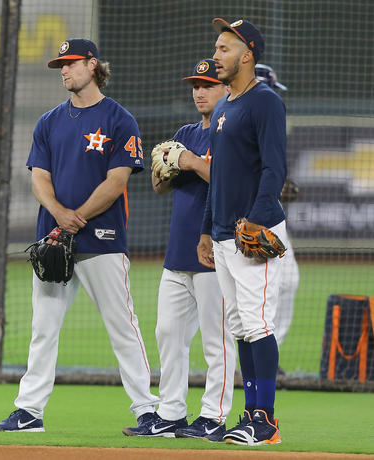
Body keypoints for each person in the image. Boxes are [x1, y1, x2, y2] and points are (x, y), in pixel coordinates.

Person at [0, 38, 160, 435]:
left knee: (122, 325)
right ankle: (29, 411)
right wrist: (59, 215)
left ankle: (147, 411)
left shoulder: (119, 120)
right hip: (54, 238)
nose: (64, 70)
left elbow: (117, 181)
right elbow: (39, 178)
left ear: (92, 65)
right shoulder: (49, 121)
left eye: (70, 63)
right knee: (43, 327)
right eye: (60, 65)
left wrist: (77, 216)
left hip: (102, 238)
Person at [197, 18, 287, 446]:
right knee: (238, 326)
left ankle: (265, 419)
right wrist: (206, 230)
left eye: (224, 48)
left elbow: (275, 169)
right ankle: (250, 412)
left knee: (256, 323)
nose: (216, 55)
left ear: (247, 54)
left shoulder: (264, 102)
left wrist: (257, 218)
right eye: (217, 48)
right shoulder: (225, 105)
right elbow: (219, 177)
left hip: (251, 230)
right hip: (222, 232)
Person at [150, 59, 236, 441]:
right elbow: (159, 187)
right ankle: (170, 413)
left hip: (214, 255)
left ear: (225, 89)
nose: (199, 92)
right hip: (177, 254)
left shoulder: (229, 130)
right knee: (168, 333)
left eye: (207, 85)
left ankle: (214, 416)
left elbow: (226, 179)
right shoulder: (186, 131)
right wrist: (164, 170)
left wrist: (186, 160)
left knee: (217, 341)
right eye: (195, 86)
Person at [255, 63, 300, 356]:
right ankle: (249, 358)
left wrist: (282, 185)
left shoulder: (269, 123)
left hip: (270, 212)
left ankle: (271, 354)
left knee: (287, 281)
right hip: (244, 216)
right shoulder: (238, 116)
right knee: (258, 290)